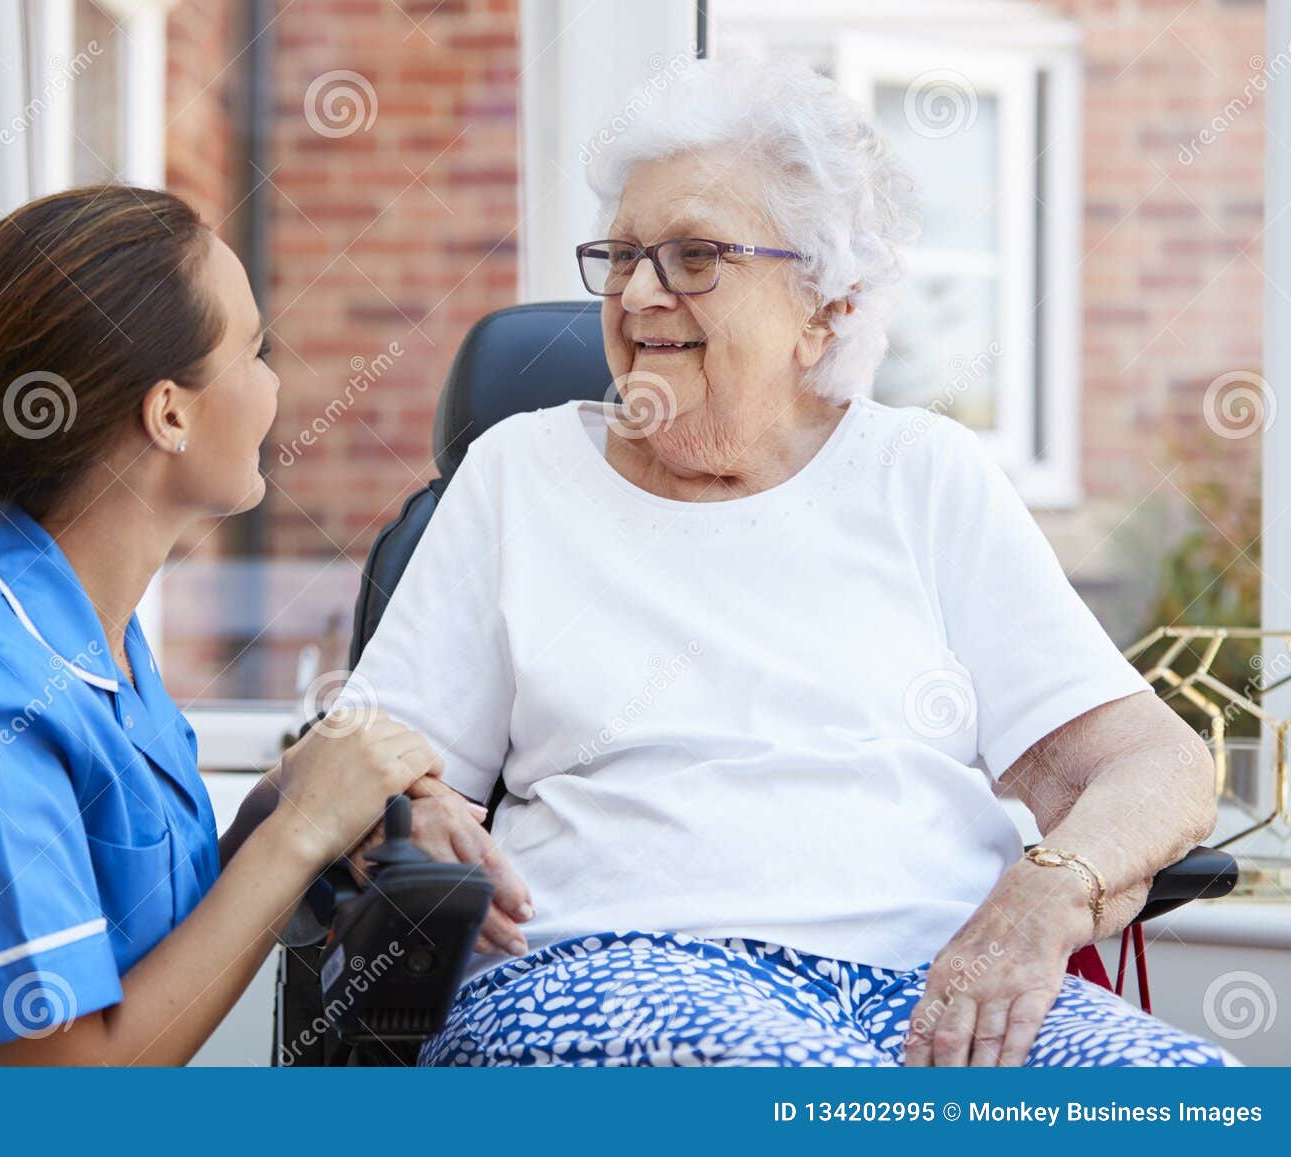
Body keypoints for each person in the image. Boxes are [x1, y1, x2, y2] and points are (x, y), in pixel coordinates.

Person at [333, 58, 1233, 1067]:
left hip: (934, 982)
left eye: (693, 256)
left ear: (825, 308)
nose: (636, 293)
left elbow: (1151, 764)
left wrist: (1049, 887)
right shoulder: (519, 476)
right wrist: (411, 808)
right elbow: (356, 767)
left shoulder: (922, 474)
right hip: (618, 962)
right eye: (622, 253)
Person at [0, 185, 440, 1066]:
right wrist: (298, 838)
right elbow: (66, 1096)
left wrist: (292, 805)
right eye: (256, 351)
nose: (274, 384)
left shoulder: (89, 635)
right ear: (169, 411)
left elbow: (127, 937)